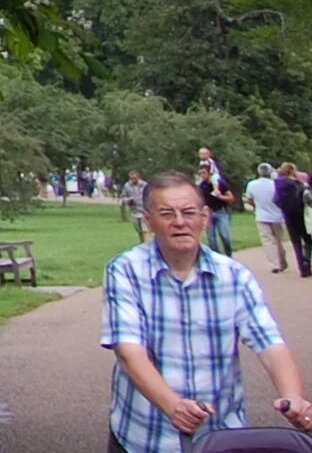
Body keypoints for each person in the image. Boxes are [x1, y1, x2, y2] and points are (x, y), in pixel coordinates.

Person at [104, 170, 312, 452]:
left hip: (221, 438)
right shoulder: (125, 271)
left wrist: (293, 398)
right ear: (149, 220)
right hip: (143, 437)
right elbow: (129, 352)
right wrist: (174, 407)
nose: (179, 222)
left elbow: (270, 345)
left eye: (188, 212)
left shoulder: (234, 275)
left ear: (204, 217)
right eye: (167, 214)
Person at [253, 163, 291, 275]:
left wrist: (256, 206)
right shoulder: (276, 184)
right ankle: (281, 262)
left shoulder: (252, 184)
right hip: (277, 215)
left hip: (261, 215)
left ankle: (275, 264)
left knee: (268, 241)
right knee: (278, 240)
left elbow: (249, 198)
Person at [281, 163, 312, 279]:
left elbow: (276, 200)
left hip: (288, 216)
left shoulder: (278, 184)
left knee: (296, 243)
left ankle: (303, 266)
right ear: (292, 171)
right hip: (300, 216)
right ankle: (306, 263)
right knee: (308, 241)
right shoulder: (298, 184)